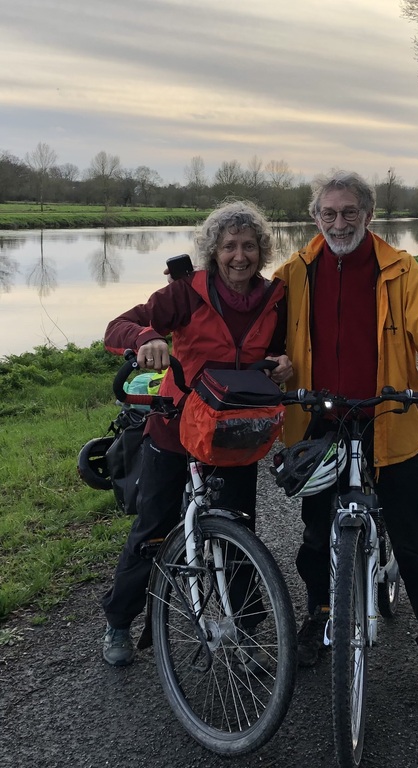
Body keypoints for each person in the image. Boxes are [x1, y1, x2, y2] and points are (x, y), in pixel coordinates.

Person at [272, 171, 418, 705]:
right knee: (315, 539)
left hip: (390, 420)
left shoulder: (401, 270)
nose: (339, 222)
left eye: (349, 212)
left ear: (368, 215)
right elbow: (260, 336)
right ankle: (322, 614)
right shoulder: (293, 272)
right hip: (319, 424)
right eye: (328, 213)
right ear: (315, 218)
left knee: (412, 540)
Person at [101, 201, 292, 667]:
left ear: (261, 251)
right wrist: (147, 337)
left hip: (236, 433)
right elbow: (117, 327)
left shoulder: (275, 298)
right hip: (176, 429)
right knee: (152, 531)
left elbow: (283, 351)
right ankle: (119, 621)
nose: (239, 256)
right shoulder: (186, 293)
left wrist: (286, 363)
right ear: (214, 251)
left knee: (239, 530)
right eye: (229, 246)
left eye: (249, 246)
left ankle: (245, 629)